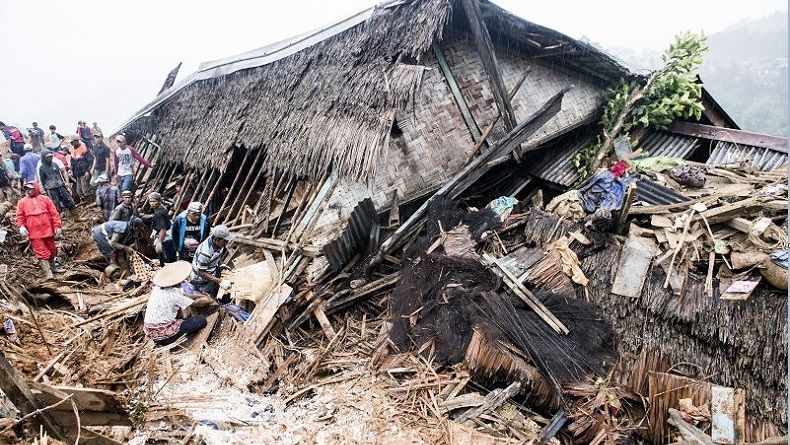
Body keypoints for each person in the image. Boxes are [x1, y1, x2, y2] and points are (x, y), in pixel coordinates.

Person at [143, 261, 213, 347]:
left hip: (152, 332)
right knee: (201, 320)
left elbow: (186, 295)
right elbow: (196, 303)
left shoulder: (158, 288)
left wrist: (200, 295)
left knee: (181, 314)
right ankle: (176, 339)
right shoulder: (173, 294)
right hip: (164, 336)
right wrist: (208, 300)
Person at [16, 182, 64, 279]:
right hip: (34, 232)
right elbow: (20, 216)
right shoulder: (22, 202)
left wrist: (57, 226)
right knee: (41, 252)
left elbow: (54, 213)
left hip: (48, 230)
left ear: (35, 189)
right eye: (26, 189)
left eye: (30, 189)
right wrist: (21, 226)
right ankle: (48, 273)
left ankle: (53, 267)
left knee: (52, 249)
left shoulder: (45, 199)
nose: (28, 191)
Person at [188, 225, 234, 298]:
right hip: (200, 280)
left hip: (210, 271)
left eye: (227, 240)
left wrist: (220, 265)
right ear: (216, 239)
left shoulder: (219, 244)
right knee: (206, 298)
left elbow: (217, 255)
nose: (226, 243)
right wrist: (220, 281)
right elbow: (201, 272)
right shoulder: (205, 253)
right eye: (224, 241)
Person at [37, 149, 75, 213]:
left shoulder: (55, 164)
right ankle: (59, 220)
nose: (50, 158)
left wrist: (66, 183)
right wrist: (44, 190)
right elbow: (41, 180)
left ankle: (76, 217)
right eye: (48, 157)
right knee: (56, 205)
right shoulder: (41, 168)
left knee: (69, 200)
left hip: (60, 185)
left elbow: (61, 174)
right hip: (51, 189)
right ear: (44, 158)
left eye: (51, 156)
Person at [147, 192, 176, 266]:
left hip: (165, 239)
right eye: (150, 201)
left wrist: (159, 242)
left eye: (154, 201)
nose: (152, 203)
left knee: (167, 262)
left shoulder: (159, 213)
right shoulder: (161, 209)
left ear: (159, 201)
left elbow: (163, 229)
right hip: (168, 237)